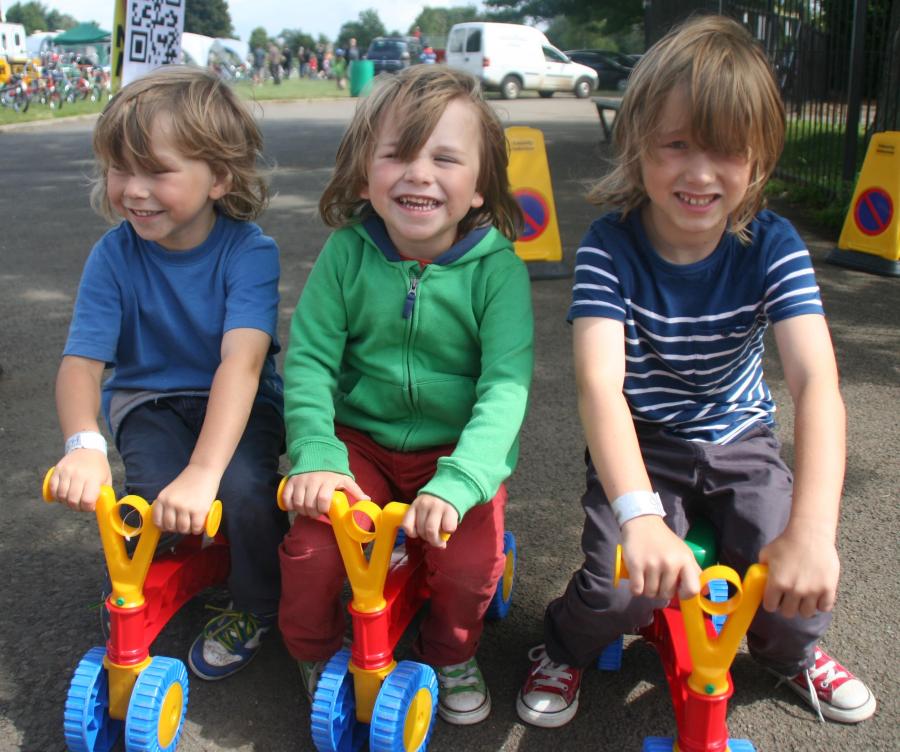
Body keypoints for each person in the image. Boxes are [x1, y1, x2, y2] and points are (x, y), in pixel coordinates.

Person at [517, 15, 876, 729]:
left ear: (761, 159)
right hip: (643, 441)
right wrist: (642, 516)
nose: (699, 173)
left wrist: (812, 530)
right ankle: (562, 644)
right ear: (637, 142)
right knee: (622, 586)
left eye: (725, 151)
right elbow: (599, 385)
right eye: (676, 145)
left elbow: (815, 384)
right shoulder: (608, 248)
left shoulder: (771, 245)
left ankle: (790, 656)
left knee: (790, 578)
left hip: (741, 439)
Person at [279, 65, 533, 726]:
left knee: (470, 566)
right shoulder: (346, 253)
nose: (419, 174)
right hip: (358, 444)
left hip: (452, 452)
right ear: (366, 175)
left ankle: (450, 653)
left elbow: (505, 389)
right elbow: (307, 359)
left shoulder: (497, 270)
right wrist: (315, 453)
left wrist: (462, 480)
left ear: (479, 190)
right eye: (396, 155)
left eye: (444, 159)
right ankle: (311, 651)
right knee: (311, 551)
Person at [48, 66, 289, 682]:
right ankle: (146, 591)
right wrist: (83, 447)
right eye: (120, 168)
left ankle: (259, 603)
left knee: (241, 489)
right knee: (149, 496)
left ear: (219, 178)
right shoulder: (114, 254)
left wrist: (205, 470)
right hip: (150, 401)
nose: (133, 189)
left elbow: (244, 360)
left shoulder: (249, 250)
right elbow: (82, 362)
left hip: (236, 398)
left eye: (157, 171)